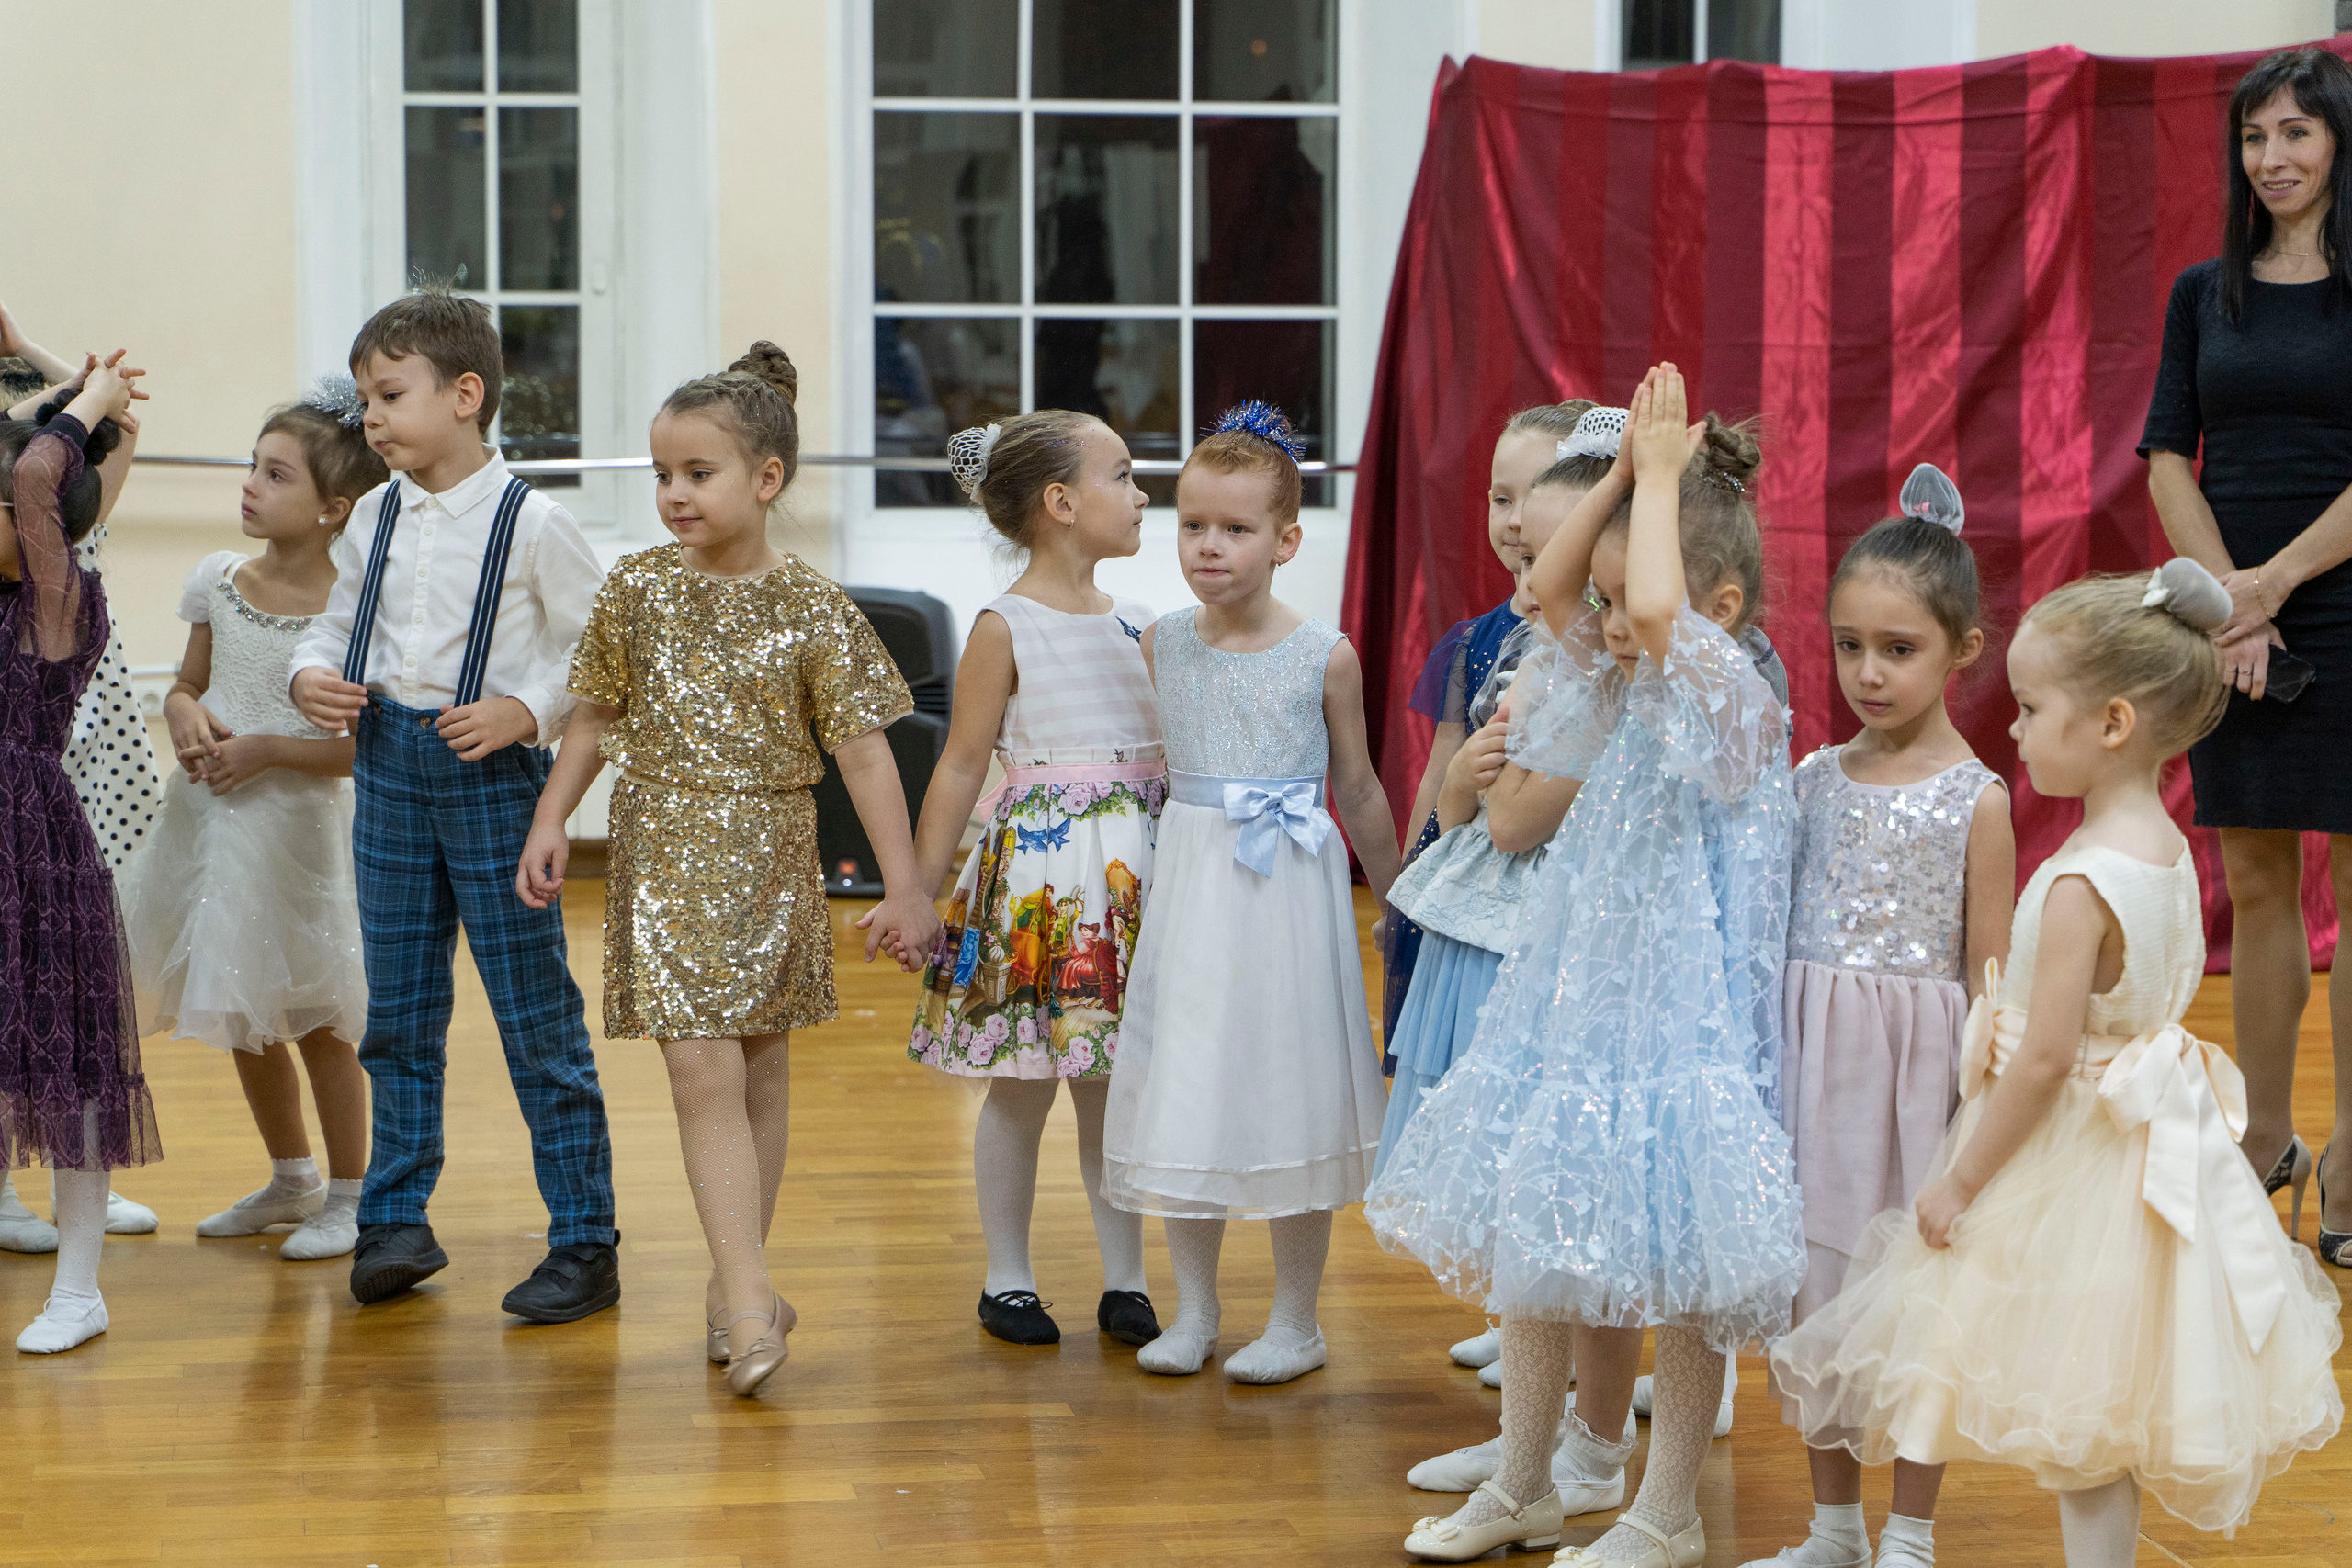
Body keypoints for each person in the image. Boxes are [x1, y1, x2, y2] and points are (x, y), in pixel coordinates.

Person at [1771, 559, 2344, 1563]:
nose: (2013, 729)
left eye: (2032, 710)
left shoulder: (2080, 880)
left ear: (2112, 724)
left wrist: (1958, 1183)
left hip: (2079, 1160)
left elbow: (2041, 1063)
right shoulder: (2164, 847)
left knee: (2081, 1417)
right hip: (2146, 1153)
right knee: (2108, 1414)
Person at [1369, 365, 1804, 1566]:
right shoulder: (1622, 660)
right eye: (1607, 605)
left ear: (1719, 594)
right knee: (1541, 1223)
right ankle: (1525, 1478)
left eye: (1627, 600)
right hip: (1579, 996)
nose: (1603, 624)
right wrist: (1619, 473)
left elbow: (1656, 612)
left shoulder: (1727, 690)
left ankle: (1664, 1510)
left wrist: (1661, 481)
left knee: (1683, 1259)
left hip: (1682, 1018)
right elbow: (1550, 586)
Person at [519, 342, 934, 1396]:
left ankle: (735, 1282)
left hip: (771, 853)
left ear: (766, 479)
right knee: (697, 1064)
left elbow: (865, 751)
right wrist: (552, 817)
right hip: (662, 850)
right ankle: (751, 1300)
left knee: (756, 1068)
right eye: (661, 474)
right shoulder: (638, 589)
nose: (672, 495)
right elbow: (592, 714)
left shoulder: (811, 605)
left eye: (695, 474)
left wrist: (906, 883)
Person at [289, 287, 616, 1320]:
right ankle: (394, 1221)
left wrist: (526, 708)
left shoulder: (536, 522)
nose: (371, 419)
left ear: (466, 395)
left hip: (492, 783)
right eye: (365, 400)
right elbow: (332, 626)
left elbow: (597, 658)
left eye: (389, 396)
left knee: (535, 1022)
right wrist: (310, 677)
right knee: (400, 1012)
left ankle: (584, 1239)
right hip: (387, 765)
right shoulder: (374, 514)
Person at [1740, 467, 2014, 1568]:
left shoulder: (1976, 797)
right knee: (1818, 1291)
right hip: (1812, 1069)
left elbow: (1989, 972)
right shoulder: (1810, 779)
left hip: (1915, 1082)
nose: (1866, 672)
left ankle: (1909, 1533)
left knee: (1909, 1304)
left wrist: (1977, 1119)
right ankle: (1833, 1529)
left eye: (1896, 649)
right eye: (1848, 645)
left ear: (1962, 650)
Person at [1102, 400, 1402, 1386]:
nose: (1209, 546)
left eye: (1233, 529)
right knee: (1186, 1078)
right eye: (1193, 524)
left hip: (1285, 898)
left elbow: (1355, 785)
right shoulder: (1161, 643)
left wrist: (1400, 897)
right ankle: (1193, 1310)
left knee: (1285, 1082)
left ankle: (1297, 1320)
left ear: (1285, 539)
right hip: (1192, 888)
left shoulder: (1325, 654)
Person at [2139, 44, 2352, 1268]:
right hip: (2233, 615)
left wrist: (2277, 582)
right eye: (2255, 137)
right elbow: (2171, 453)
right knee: (2261, 883)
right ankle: (2268, 1135)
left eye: (2297, 135)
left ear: (2338, 147)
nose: (2272, 158)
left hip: (2334, 599)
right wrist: (2231, 600)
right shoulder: (2201, 292)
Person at [904, 410, 1166, 1350]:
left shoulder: (1143, 626)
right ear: (1061, 503)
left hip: (1131, 885)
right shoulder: (1002, 625)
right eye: (1125, 476)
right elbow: (961, 767)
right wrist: (914, 891)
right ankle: (1007, 1276)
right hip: (1039, 892)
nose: (1142, 496)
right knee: (1021, 1083)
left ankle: (1125, 1278)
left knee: (1114, 1086)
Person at [121, 383, 382, 1262]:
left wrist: (268, 748)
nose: (250, 487)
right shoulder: (219, 581)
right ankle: (292, 1177)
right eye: (252, 467)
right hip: (210, 826)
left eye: (276, 476)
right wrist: (185, 717)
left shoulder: (351, 612)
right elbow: (187, 686)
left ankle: (350, 1195)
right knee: (240, 1002)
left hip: (296, 838)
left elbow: (360, 752)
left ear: (331, 509)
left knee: (315, 1018)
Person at [1385, 400, 1589, 1377]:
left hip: (1558, 907)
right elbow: (1449, 783)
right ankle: (1519, 1313)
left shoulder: (1601, 658)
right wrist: (1413, 883)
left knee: (1537, 1114)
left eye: (1536, 499)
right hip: (1479, 893)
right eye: (1499, 498)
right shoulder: (1480, 643)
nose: (1513, 523)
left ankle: (1549, 1327)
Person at [0, 354, 164, 1352]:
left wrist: (90, 400)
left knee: (70, 1064)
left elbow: (38, 475)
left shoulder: (57, 608)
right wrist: (56, 378)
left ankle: (79, 1287)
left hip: (32, 845)